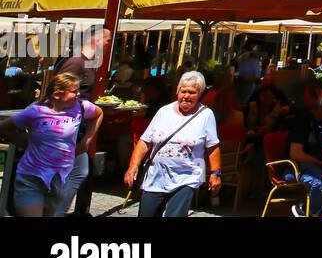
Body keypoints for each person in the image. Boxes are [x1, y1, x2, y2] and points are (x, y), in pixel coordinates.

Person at [0, 72, 103, 217]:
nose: (78, 94)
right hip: (31, 176)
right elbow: (4, 127)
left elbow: (98, 114)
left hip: (60, 180)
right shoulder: (35, 111)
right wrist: (23, 142)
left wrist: (87, 140)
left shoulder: (81, 107)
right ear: (57, 95)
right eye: (74, 91)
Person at [125, 71, 220, 217]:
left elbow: (213, 146)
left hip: (187, 177)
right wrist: (133, 166)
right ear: (177, 91)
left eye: (192, 92)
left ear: (200, 94)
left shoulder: (206, 115)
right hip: (156, 176)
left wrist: (215, 173)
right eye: (183, 91)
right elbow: (145, 141)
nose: (186, 96)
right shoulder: (164, 111)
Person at [284, 84, 322, 215]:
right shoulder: (303, 121)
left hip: (318, 167)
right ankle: (309, 213)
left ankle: (308, 210)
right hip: (295, 167)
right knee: (319, 182)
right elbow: (295, 153)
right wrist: (319, 162)